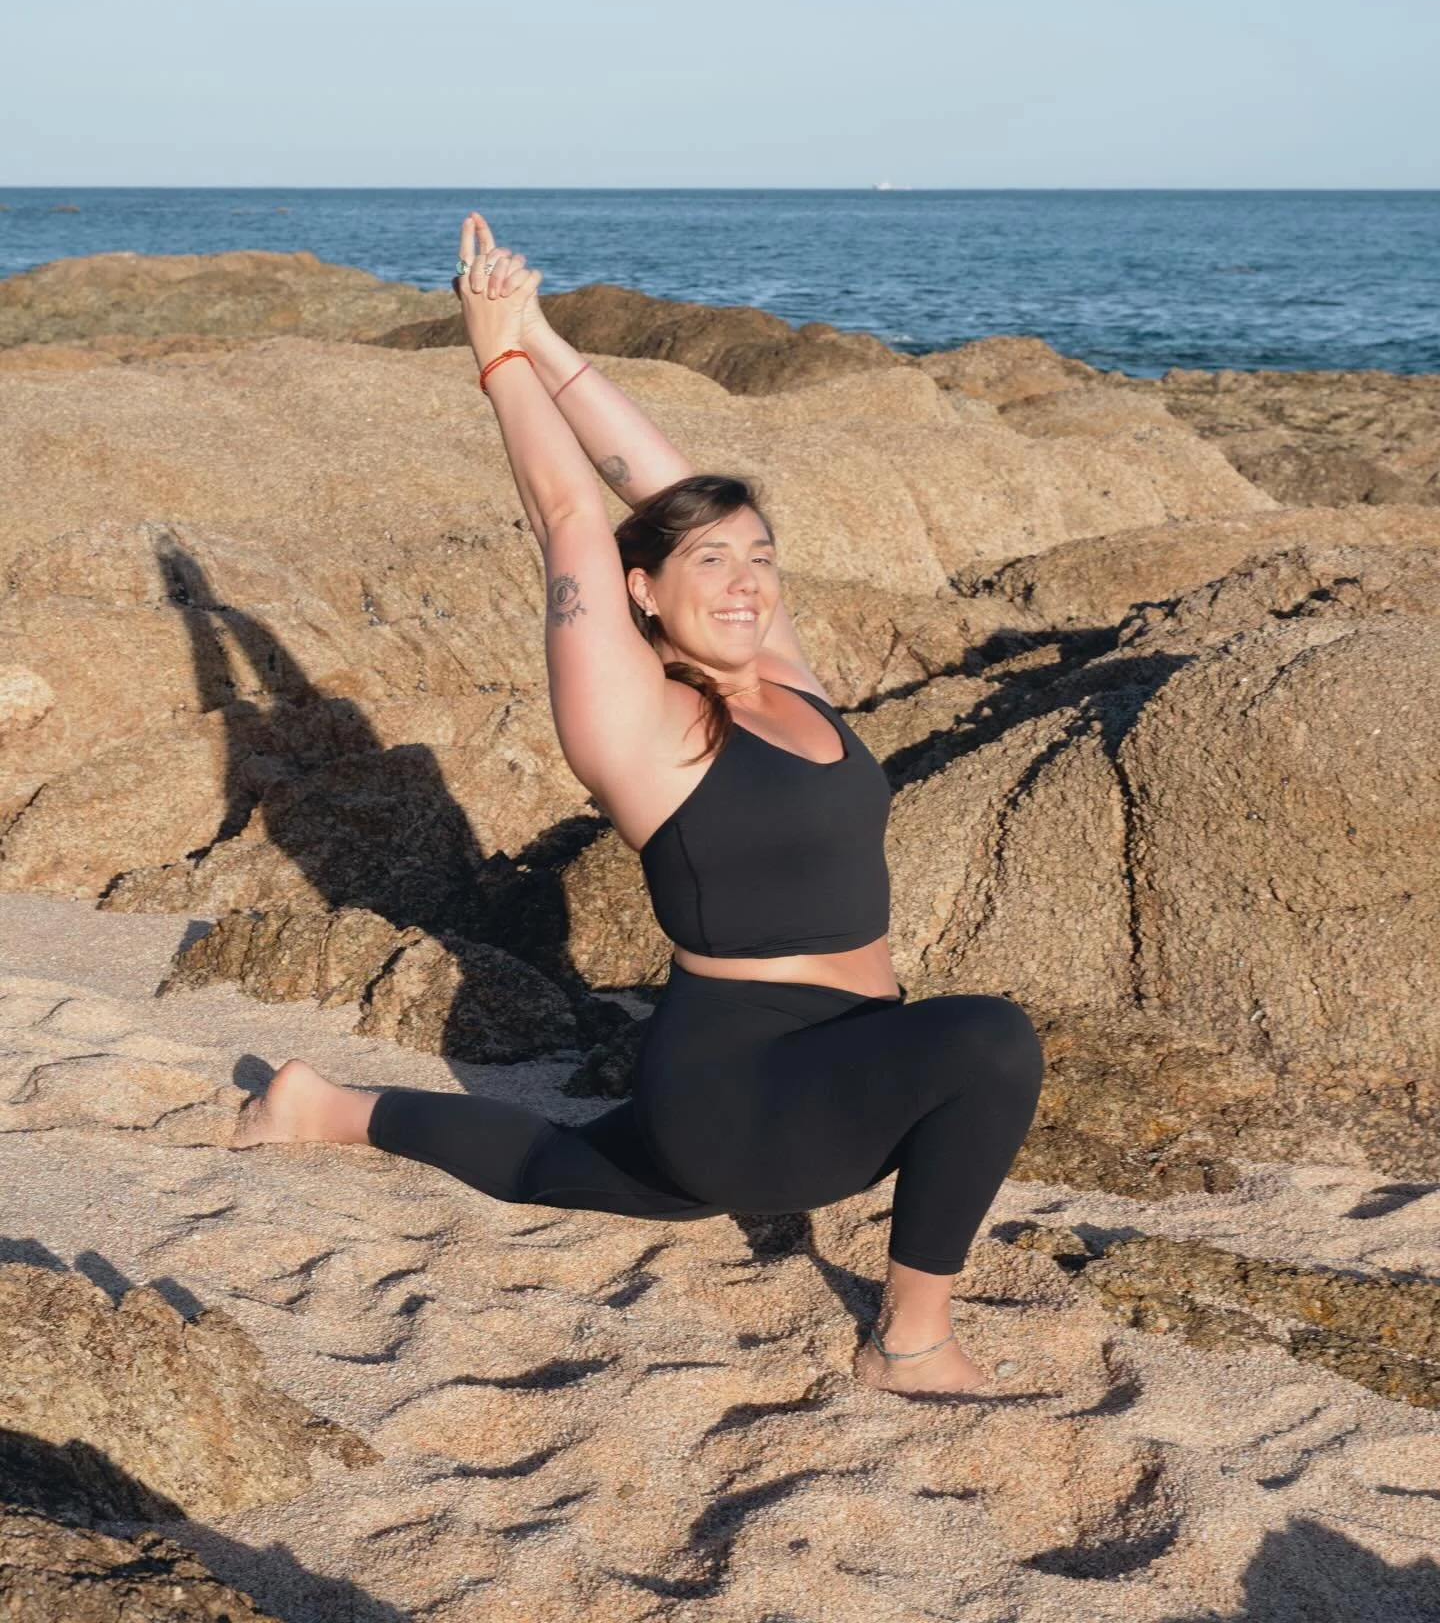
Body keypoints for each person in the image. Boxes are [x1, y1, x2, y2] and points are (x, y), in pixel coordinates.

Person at [233, 213, 1043, 1395]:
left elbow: (660, 485)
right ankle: (910, 1341)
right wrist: (497, 357)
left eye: (759, 556)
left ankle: (322, 1108)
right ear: (644, 593)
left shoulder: (787, 679)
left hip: (832, 1069)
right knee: (990, 1040)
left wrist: (545, 332)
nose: (746, 580)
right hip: (737, 1092)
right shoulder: (642, 727)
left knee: (555, 1167)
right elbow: (574, 514)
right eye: (711, 563)